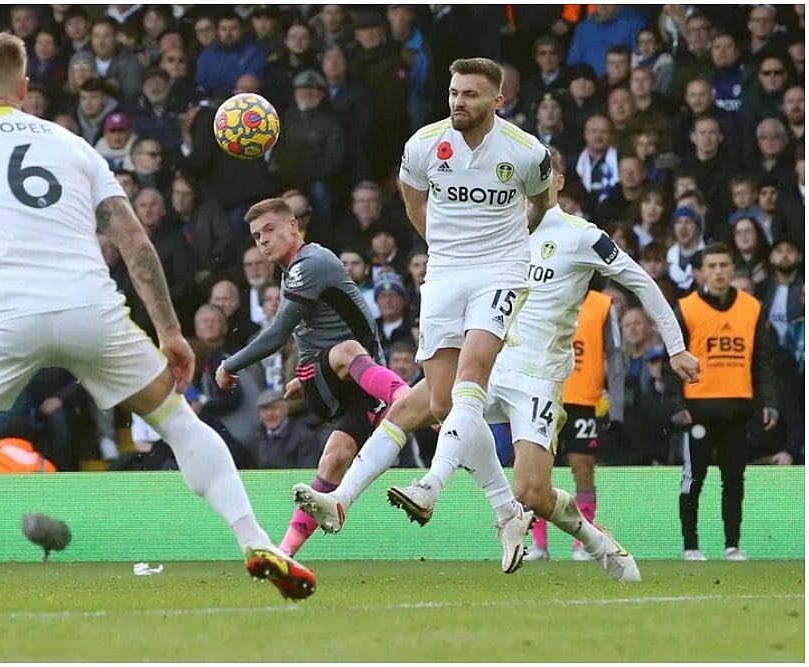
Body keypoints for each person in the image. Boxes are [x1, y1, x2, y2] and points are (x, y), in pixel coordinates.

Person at [0, 33, 315, 610]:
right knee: (179, 423)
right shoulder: (75, 145)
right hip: (90, 309)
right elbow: (134, 242)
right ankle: (256, 540)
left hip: (5, 317)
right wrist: (170, 332)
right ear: (25, 88)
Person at [295, 147, 700, 582]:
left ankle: (596, 541)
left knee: (534, 491)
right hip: (487, 360)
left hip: (537, 379)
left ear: (556, 185)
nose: (524, 193)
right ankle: (345, 498)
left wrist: (675, 346)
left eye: (535, 183)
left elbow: (639, 280)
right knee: (412, 407)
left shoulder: (581, 236)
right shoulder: (495, 234)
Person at [389, 57, 553, 571]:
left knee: (473, 373)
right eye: (454, 93)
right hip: (444, 272)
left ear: (497, 100)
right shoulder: (423, 144)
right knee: (442, 404)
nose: (459, 102)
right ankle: (508, 513)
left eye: (471, 95)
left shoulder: (527, 152)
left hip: (501, 270)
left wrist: (502, 246)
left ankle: (430, 485)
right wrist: (444, 242)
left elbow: (541, 206)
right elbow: (414, 201)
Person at [215, 197, 410, 557]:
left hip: (354, 384)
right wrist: (299, 375)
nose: (263, 240)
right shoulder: (297, 268)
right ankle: (406, 399)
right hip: (337, 373)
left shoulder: (312, 262)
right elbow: (295, 333)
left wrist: (230, 365)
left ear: (294, 227)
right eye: (257, 235)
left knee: (335, 457)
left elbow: (279, 333)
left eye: (270, 230)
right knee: (348, 350)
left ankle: (284, 553)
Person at [664, 242, 779, 562]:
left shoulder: (751, 307)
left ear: (733, 269)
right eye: (711, 266)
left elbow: (762, 361)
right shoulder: (686, 309)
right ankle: (690, 546)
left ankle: (732, 545)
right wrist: (677, 405)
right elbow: (669, 363)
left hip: (737, 407)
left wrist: (768, 401)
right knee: (693, 479)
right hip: (698, 408)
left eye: (724, 265)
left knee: (734, 479)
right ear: (701, 271)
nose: (718, 272)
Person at [527, 289, 625, 562]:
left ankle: (584, 541)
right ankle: (539, 544)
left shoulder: (603, 305)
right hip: (545, 395)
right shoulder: (540, 294)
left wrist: (616, 409)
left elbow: (616, 356)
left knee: (583, 469)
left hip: (583, 399)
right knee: (538, 472)